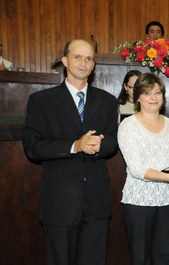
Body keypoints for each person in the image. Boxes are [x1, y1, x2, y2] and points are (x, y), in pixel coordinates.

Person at [23, 39, 119, 265]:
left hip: (96, 203)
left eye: (89, 58)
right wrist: (75, 145)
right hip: (60, 202)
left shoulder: (107, 101)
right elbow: (33, 147)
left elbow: (112, 141)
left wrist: (98, 146)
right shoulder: (41, 101)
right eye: (77, 57)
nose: (84, 63)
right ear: (64, 61)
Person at [117, 72, 169, 265]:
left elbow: (168, 161)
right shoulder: (128, 125)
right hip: (139, 201)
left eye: (158, 92)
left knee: (164, 257)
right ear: (138, 97)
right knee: (140, 258)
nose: (153, 98)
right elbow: (137, 169)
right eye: (147, 93)